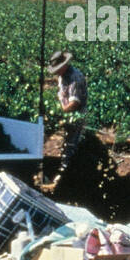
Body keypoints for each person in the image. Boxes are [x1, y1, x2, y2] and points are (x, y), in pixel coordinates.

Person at [43, 50, 86, 192]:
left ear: (64, 65)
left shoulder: (75, 78)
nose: (55, 73)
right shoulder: (62, 76)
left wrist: (61, 113)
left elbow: (75, 103)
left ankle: (62, 181)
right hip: (64, 113)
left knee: (70, 147)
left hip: (75, 117)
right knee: (42, 135)